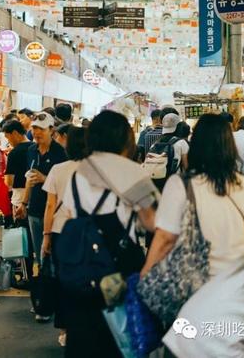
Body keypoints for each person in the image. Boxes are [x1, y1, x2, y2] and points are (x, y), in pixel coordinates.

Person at [59, 110, 158, 358]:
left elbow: (73, 216)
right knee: (121, 335)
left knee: (84, 337)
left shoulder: (77, 172)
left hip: (81, 268)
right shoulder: (132, 171)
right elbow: (152, 222)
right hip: (118, 266)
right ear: (124, 138)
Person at [141, 113, 244, 279]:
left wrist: (144, 277)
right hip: (236, 280)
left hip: (192, 282)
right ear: (229, 145)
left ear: (195, 144)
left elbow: (164, 238)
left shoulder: (180, 185)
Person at [41, 126, 87, 348]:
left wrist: (46, 236)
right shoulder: (97, 171)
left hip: (61, 232)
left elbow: (51, 205)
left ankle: (66, 330)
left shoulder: (58, 170)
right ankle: (85, 326)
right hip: (87, 232)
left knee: (63, 281)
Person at [17, 112, 67, 274]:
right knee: (40, 256)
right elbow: (29, 179)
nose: (36, 132)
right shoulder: (31, 150)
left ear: (51, 130)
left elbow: (64, 186)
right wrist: (23, 203)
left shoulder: (60, 153)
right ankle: (45, 286)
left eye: (41, 129)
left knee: (54, 254)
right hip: (35, 210)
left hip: (55, 213)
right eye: (34, 128)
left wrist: (44, 178)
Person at [2, 120, 33, 211]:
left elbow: (9, 182)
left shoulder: (14, 153)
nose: (8, 141)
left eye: (8, 137)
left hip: (20, 198)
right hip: (35, 196)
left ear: (15, 133)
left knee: (20, 224)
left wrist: (4, 177)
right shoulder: (36, 147)